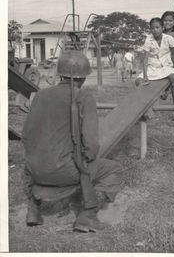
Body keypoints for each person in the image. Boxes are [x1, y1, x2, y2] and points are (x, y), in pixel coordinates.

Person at [22, 50, 121, 232]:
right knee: (112, 169)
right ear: (82, 78)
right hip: (65, 172)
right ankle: (88, 215)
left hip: (34, 170)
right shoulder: (83, 97)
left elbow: (26, 135)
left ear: (60, 74)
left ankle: (33, 210)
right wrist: (87, 160)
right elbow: (91, 145)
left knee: (43, 161)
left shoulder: (40, 95)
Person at [135, 17, 174, 120]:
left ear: (162, 27)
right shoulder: (148, 39)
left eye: (157, 27)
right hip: (152, 67)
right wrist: (145, 75)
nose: (155, 30)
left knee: (173, 78)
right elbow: (145, 58)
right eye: (152, 28)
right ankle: (147, 110)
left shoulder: (168, 38)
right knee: (138, 81)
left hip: (165, 66)